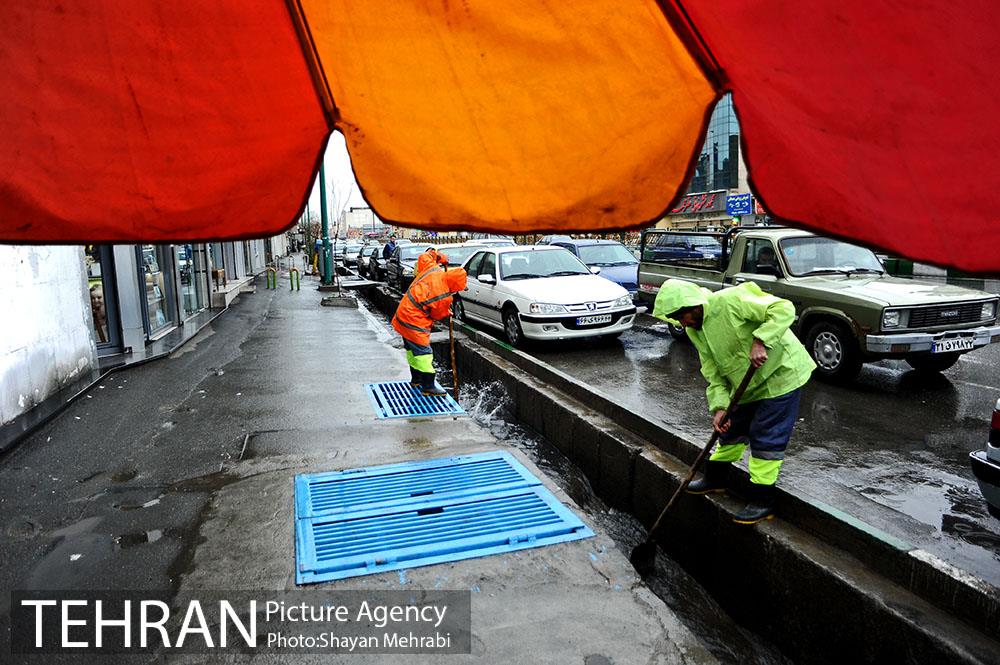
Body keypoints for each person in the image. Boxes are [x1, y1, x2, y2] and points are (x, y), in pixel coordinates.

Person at [652, 279, 815, 524]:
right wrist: (719, 408)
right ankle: (715, 478)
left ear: (694, 304)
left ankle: (762, 500)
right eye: (677, 318)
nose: (681, 322)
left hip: (780, 375)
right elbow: (712, 371)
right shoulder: (694, 330)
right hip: (745, 385)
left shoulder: (731, 301)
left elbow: (783, 309)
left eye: (682, 315)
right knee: (730, 427)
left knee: (765, 436)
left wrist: (761, 339)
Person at [391, 249, 466, 396]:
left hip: (403, 313)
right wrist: (448, 312)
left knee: (412, 351)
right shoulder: (444, 295)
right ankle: (428, 386)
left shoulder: (433, 269)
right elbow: (437, 314)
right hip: (414, 321)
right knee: (424, 352)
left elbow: (425, 256)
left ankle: (416, 379)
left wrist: (440, 257)